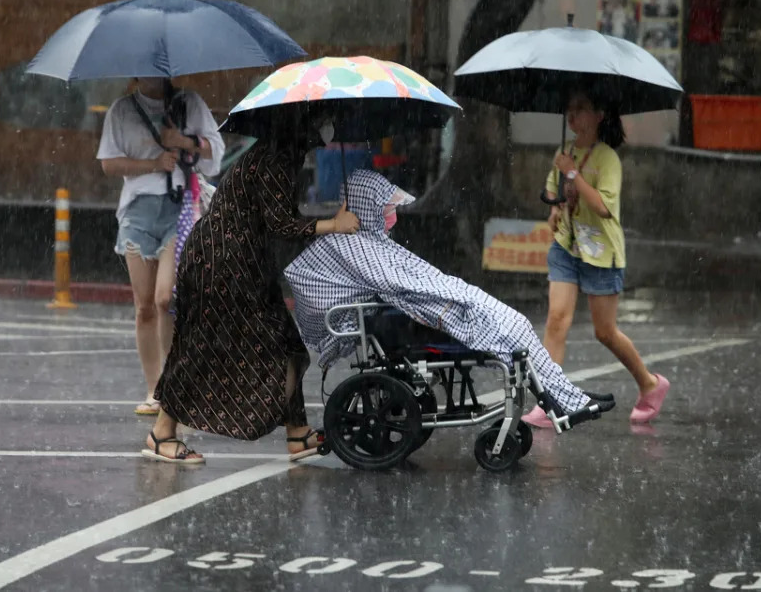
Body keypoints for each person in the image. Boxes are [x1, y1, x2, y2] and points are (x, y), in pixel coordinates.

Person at [285, 170, 614, 423]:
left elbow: (414, 277)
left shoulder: (372, 242)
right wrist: (458, 293)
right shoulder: (357, 246)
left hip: (440, 299)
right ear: (367, 205)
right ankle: (562, 400)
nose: (392, 214)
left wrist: (453, 288)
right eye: (387, 207)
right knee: (515, 329)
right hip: (435, 309)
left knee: (518, 327)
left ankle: (566, 396)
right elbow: (404, 285)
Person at [142, 114, 360, 465]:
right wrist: (334, 223)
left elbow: (276, 217)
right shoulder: (275, 159)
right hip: (221, 263)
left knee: (286, 343)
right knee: (202, 345)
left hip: (244, 264)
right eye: (319, 123)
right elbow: (281, 223)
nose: (324, 130)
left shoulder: (282, 156)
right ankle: (161, 433)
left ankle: (297, 432)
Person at [521, 89, 670, 428]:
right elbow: (553, 193)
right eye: (569, 109)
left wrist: (574, 174)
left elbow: (603, 208)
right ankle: (549, 402)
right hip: (566, 248)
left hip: (602, 254)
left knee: (605, 332)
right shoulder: (564, 151)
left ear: (599, 115)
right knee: (557, 320)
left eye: (581, 109)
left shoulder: (607, 159)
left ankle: (649, 383)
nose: (572, 117)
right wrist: (557, 208)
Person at [97, 77, 225, 416]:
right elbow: (109, 163)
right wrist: (154, 164)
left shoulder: (189, 103)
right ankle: (154, 389)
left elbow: (216, 149)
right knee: (144, 307)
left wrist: (181, 141)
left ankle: (174, 384)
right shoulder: (122, 110)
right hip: (137, 214)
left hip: (179, 208)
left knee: (166, 298)